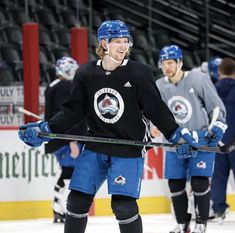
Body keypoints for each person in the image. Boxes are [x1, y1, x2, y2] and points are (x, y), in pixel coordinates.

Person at [19, 20, 200, 233]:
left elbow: (156, 110)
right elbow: (73, 112)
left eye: (126, 41)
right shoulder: (86, 74)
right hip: (96, 147)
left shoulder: (139, 73)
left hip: (128, 149)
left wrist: (177, 134)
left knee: (123, 206)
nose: (123, 47)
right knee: (76, 202)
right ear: (104, 43)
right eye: (117, 42)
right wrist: (46, 129)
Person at [155, 45, 227, 233]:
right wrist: (152, 126)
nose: (167, 67)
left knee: (199, 182)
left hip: (201, 141)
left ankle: (201, 224)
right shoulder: (160, 85)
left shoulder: (199, 79)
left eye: (170, 63)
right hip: (175, 144)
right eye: (164, 64)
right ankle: (182, 223)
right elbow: (155, 113)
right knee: (175, 184)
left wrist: (215, 128)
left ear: (179, 62)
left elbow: (217, 108)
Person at [44, 56, 86, 223]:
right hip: (66, 138)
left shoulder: (52, 85)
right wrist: (72, 140)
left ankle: (58, 207)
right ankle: (62, 207)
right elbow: (67, 115)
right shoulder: (65, 86)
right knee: (70, 173)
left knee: (68, 172)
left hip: (58, 138)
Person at [211, 57, 235, 222]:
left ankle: (219, 209)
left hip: (218, 140)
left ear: (219, 72)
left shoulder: (212, 89)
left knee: (218, 176)